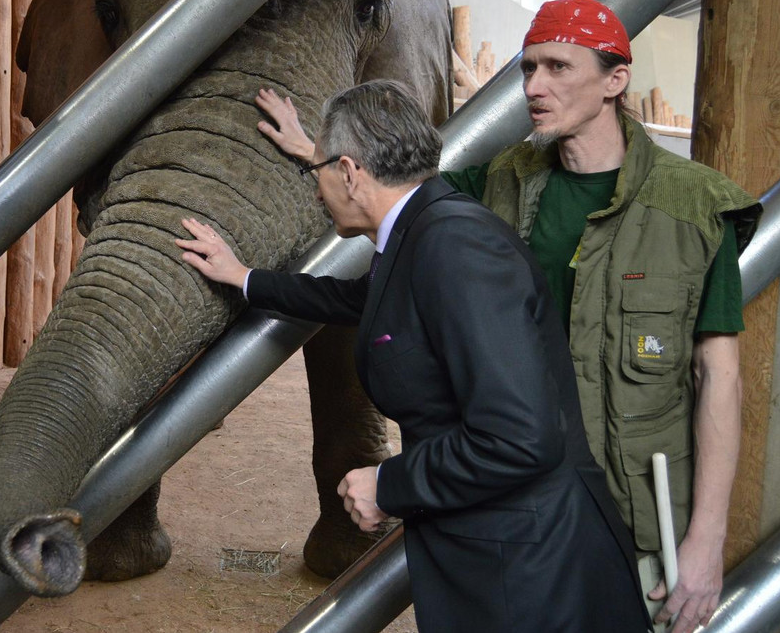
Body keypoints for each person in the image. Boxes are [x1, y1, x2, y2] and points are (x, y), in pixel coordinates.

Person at [256, 0, 761, 633]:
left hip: (641, 513)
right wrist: (319, 154)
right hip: (526, 515)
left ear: (616, 79)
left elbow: (718, 378)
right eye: (527, 70)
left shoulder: (694, 209)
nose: (533, 87)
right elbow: (394, 190)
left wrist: (706, 543)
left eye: (557, 67)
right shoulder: (504, 183)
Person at [178, 79, 649, 632]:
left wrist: (391, 484)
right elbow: (361, 299)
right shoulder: (422, 228)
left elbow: (521, 436)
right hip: (497, 557)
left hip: (531, 576)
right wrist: (245, 279)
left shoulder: (456, 248)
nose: (316, 189)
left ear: (350, 172)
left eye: (318, 172)